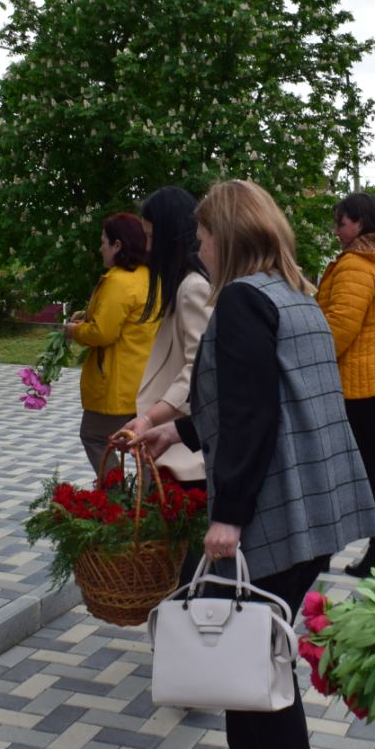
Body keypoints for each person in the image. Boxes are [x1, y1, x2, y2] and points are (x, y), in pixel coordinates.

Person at [133, 180, 375, 749]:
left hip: (276, 508)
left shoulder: (244, 299)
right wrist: (179, 431)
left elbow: (251, 415)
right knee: (246, 628)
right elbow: (258, 396)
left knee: (257, 649)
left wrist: (229, 517)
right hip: (315, 503)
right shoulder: (293, 292)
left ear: (231, 236)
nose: (199, 247)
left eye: (205, 235)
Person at [315, 192, 375, 577]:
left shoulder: (357, 263)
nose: (337, 231)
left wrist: (310, 357)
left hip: (359, 385)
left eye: (341, 223)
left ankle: (323, 551)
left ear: (360, 223)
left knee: (340, 468)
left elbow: (340, 327)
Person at [120, 188, 213, 576]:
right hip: (179, 452)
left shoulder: (192, 287)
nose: (147, 247)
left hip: (186, 457)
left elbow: (198, 370)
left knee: (186, 571)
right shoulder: (184, 285)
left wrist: (150, 418)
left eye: (151, 236)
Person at [66, 213, 159, 475]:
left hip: (116, 385)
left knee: (94, 436)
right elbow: (124, 321)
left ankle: (115, 493)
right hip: (143, 379)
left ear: (117, 245)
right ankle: (149, 494)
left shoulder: (118, 281)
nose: (100, 248)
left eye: (103, 242)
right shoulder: (149, 276)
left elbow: (102, 333)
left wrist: (74, 331)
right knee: (144, 445)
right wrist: (87, 317)